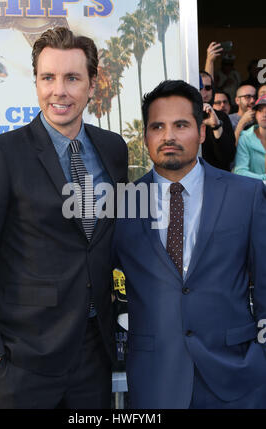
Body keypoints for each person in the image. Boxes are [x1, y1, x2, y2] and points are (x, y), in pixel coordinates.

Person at [0, 26, 128, 409]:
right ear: (36, 82)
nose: (59, 91)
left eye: (72, 78)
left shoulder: (112, 149)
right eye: (48, 78)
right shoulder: (0, 154)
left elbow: (108, 241)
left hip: (93, 350)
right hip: (23, 358)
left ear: (92, 84)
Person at [113, 79, 266, 409]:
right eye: (158, 126)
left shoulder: (245, 195)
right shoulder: (122, 204)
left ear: (200, 129)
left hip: (237, 379)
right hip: (155, 382)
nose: (168, 136)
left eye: (181, 125)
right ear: (146, 137)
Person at [200, 71, 235, 171]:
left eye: (207, 88)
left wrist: (216, 126)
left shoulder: (221, 116)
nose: (203, 91)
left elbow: (228, 157)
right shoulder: (184, 115)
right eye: (199, 87)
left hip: (218, 178)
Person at [234, 94, 266, 181]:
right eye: (260, 110)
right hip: (255, 191)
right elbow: (240, 171)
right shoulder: (245, 137)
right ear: (254, 114)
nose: (264, 114)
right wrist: (263, 178)